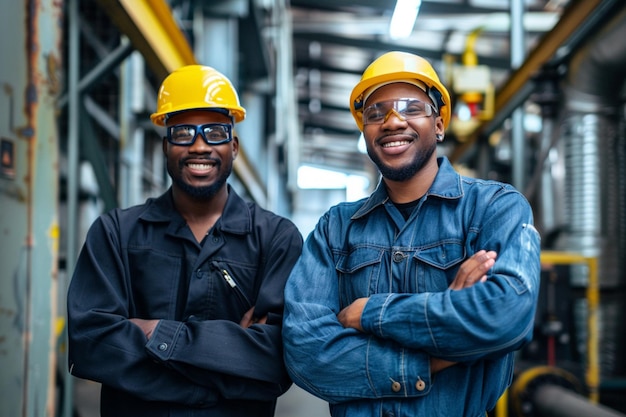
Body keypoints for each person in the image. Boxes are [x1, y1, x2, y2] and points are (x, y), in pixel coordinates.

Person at [282, 51, 541, 417]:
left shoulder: (494, 208)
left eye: (411, 107)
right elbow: (305, 352)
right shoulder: (335, 228)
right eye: (375, 112)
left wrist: (370, 313)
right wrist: (439, 350)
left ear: (439, 124)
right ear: (364, 130)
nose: (392, 121)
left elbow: (506, 315)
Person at [67, 64, 303, 417]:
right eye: (182, 133)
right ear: (166, 146)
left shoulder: (276, 240)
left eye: (214, 132)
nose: (198, 146)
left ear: (234, 146)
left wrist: (155, 334)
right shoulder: (116, 233)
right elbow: (91, 345)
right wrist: (226, 366)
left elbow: (274, 363)